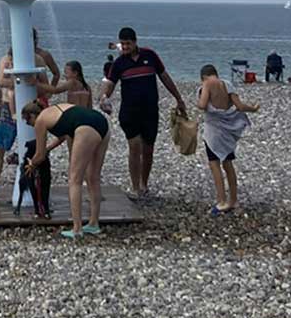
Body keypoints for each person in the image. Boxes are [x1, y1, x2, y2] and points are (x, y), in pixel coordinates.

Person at [99, 27, 187, 199]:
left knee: (148, 149)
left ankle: (144, 184)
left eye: (127, 44)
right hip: (129, 112)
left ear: (135, 42)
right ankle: (135, 188)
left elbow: (165, 77)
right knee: (134, 147)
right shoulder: (119, 64)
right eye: (122, 44)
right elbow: (109, 83)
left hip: (150, 111)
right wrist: (104, 97)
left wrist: (179, 98)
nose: (124, 47)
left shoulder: (150, 56)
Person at [22, 102, 110, 238]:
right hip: (101, 122)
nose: (30, 125)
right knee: (93, 178)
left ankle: (77, 229)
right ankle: (93, 224)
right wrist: (48, 149)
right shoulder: (56, 110)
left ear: (32, 115)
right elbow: (62, 136)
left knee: (75, 179)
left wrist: (31, 164)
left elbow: (39, 155)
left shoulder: (40, 120)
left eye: (28, 122)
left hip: (85, 127)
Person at [0, 47, 49, 202]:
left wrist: (33, 85)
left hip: (31, 105)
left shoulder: (38, 59)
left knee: (35, 147)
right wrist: (17, 82)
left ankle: (36, 187)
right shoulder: (5, 60)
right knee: (0, 147)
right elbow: (0, 81)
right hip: (8, 106)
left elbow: (45, 86)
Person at [195, 65, 259, 215]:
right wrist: (254, 108)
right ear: (216, 74)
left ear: (203, 77)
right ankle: (234, 200)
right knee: (228, 163)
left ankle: (222, 201)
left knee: (214, 164)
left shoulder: (206, 84)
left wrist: (197, 103)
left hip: (214, 131)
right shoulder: (227, 84)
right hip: (228, 130)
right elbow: (240, 106)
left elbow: (203, 105)